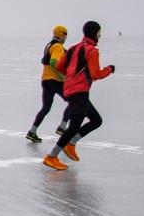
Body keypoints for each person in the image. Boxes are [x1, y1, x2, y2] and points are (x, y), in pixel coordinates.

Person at [43, 20, 115, 170]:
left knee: (96, 120)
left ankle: (71, 143)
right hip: (79, 91)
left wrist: (71, 77)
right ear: (94, 33)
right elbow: (95, 74)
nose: (100, 35)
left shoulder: (73, 48)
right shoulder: (92, 51)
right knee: (74, 126)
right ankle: (51, 157)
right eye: (99, 32)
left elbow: (60, 66)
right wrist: (109, 69)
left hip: (71, 89)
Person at [26, 24, 70, 142]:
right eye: (65, 34)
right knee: (74, 102)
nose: (66, 37)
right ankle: (62, 127)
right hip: (55, 81)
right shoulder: (58, 47)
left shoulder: (49, 45)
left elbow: (45, 60)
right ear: (61, 34)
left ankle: (32, 131)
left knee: (45, 108)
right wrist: (63, 76)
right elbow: (53, 62)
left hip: (45, 80)